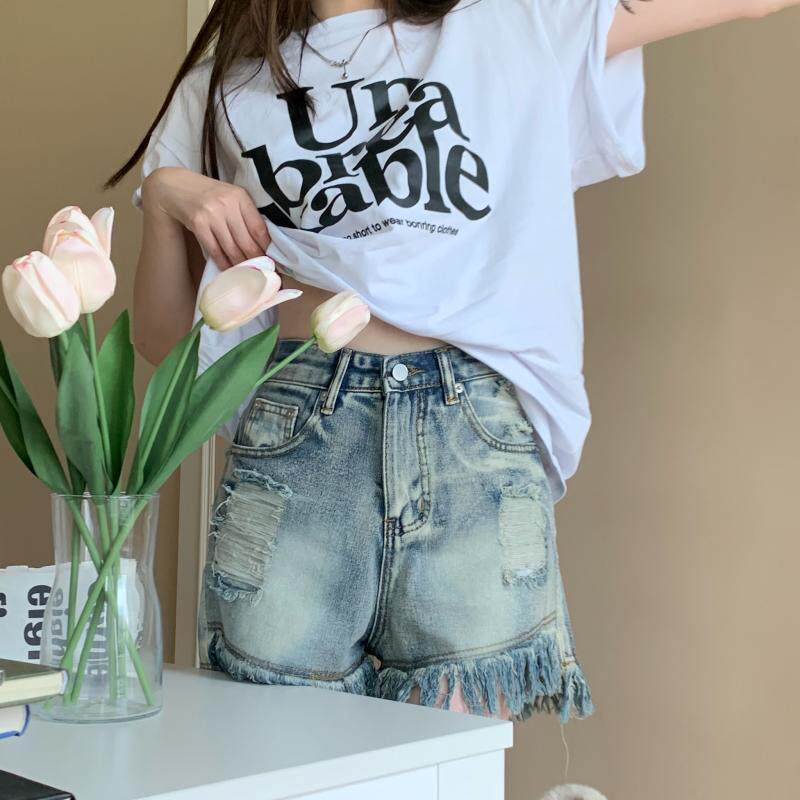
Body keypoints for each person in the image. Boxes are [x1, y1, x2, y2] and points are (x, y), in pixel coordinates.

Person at [110, 0, 797, 721]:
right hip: (298, 436)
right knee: (277, 749)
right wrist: (165, 195)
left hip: (471, 436)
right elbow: (163, 341)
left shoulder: (511, 25)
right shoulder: (221, 88)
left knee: (452, 762)